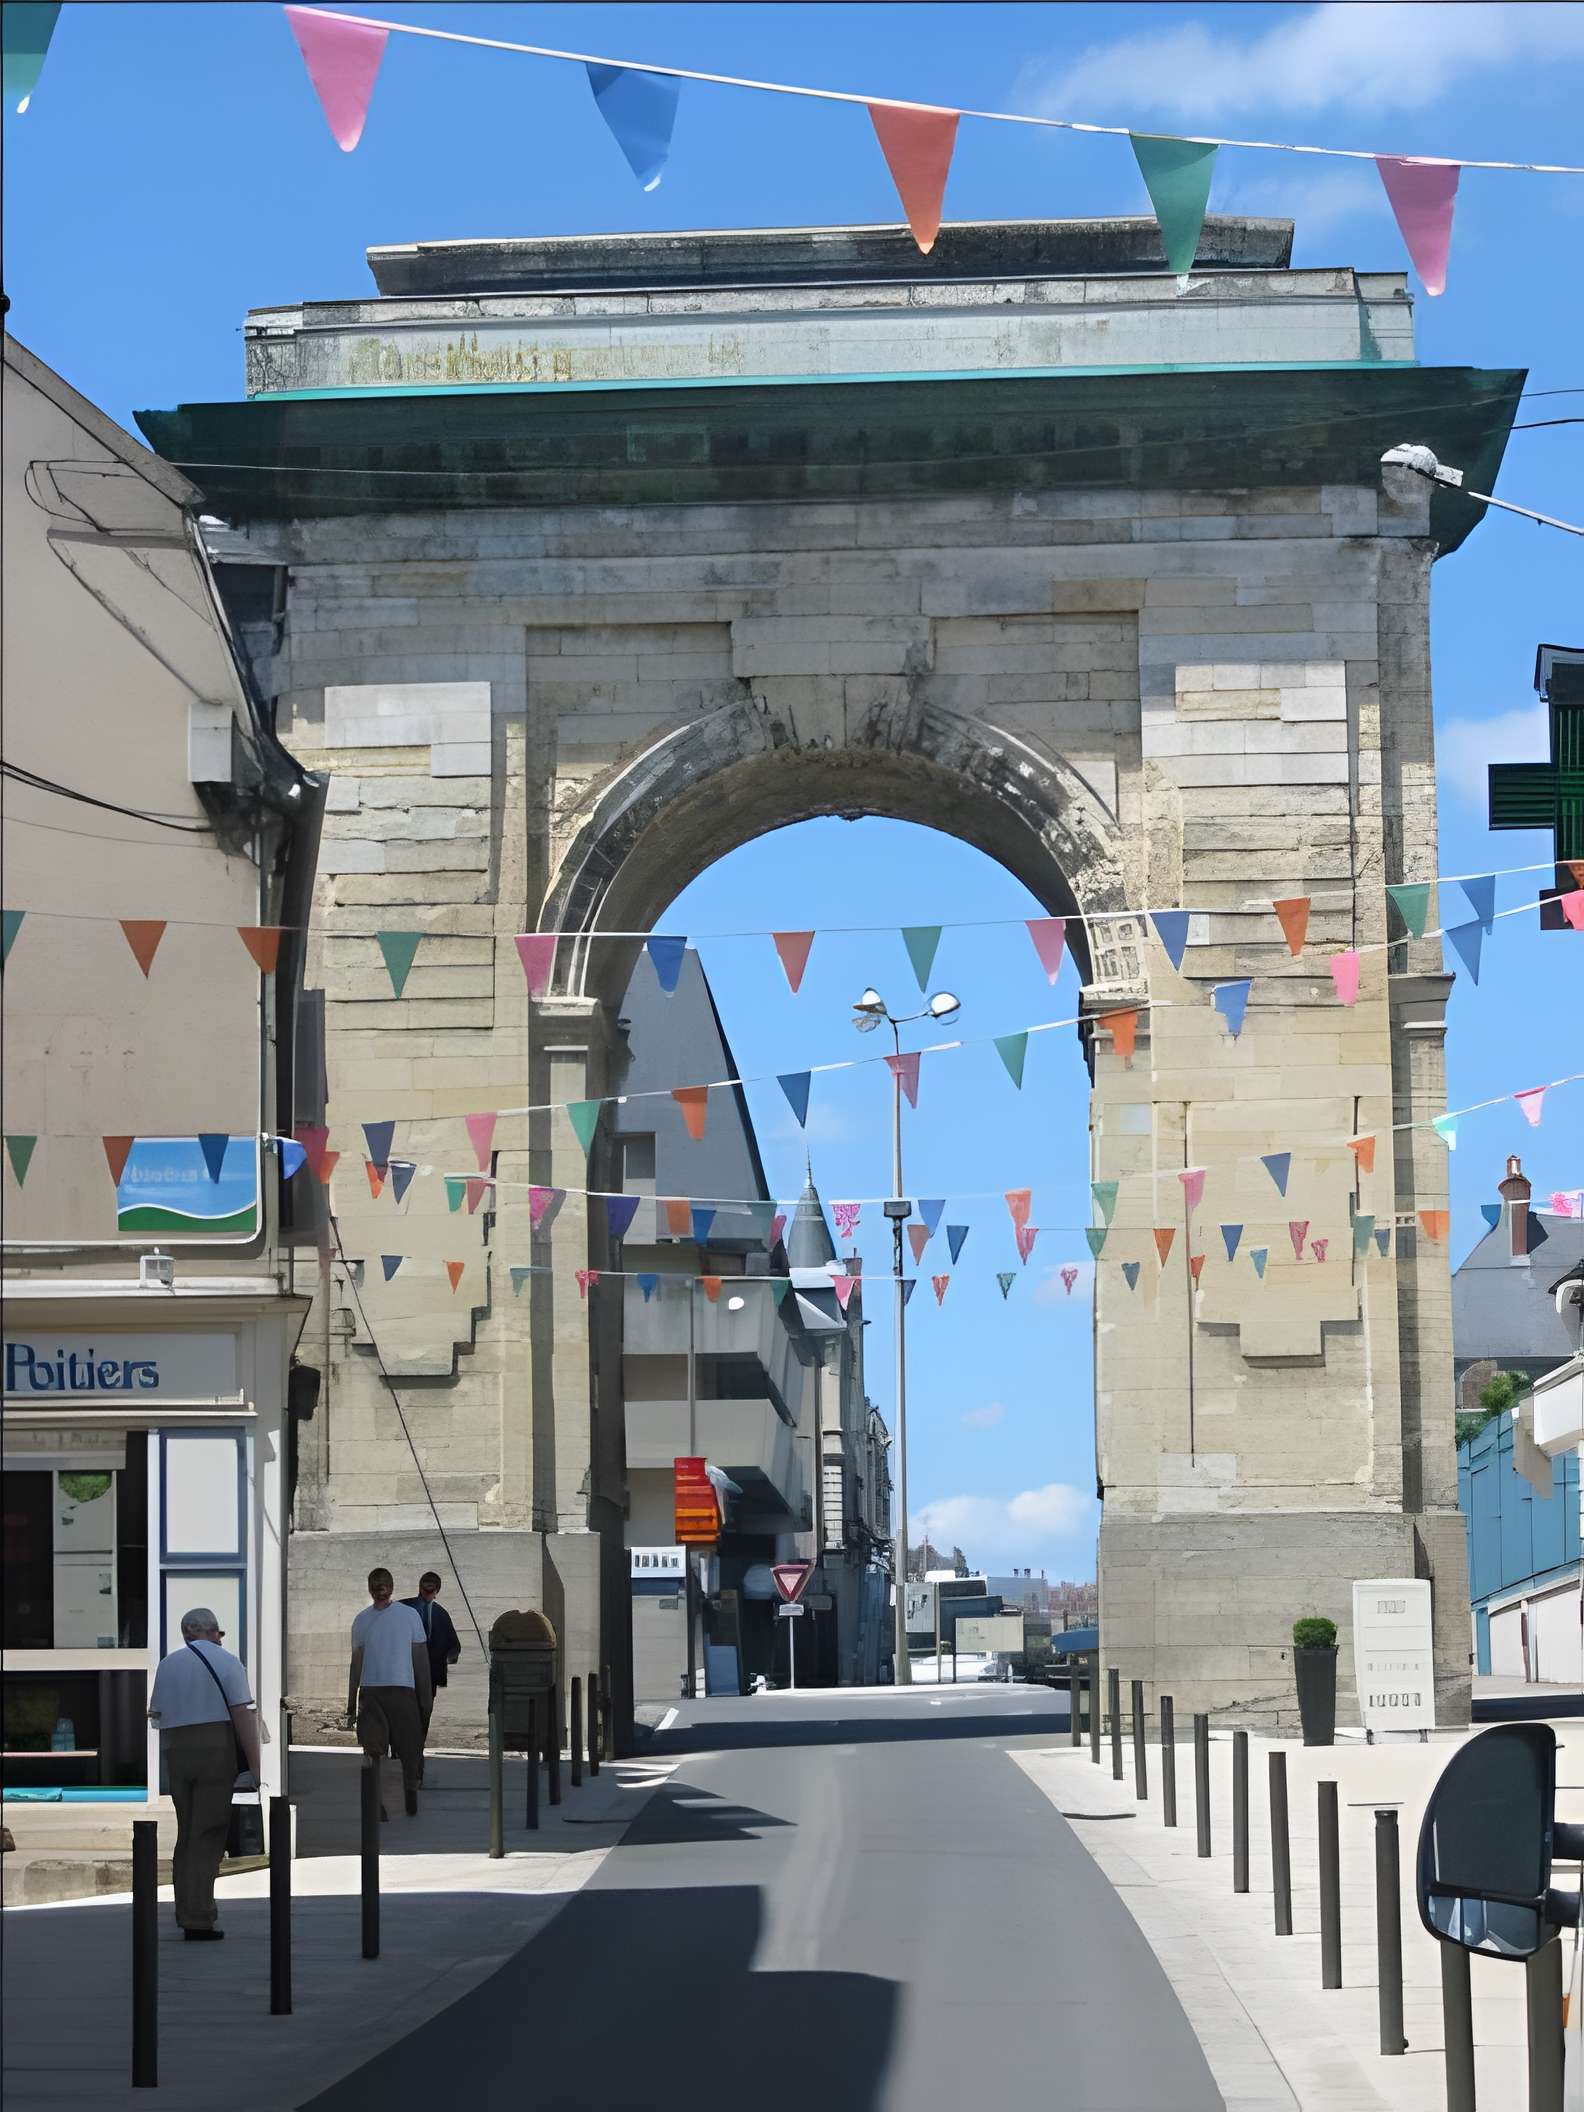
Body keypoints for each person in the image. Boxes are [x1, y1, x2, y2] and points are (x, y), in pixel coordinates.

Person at [147, 1608, 260, 1941]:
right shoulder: (228, 1662)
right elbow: (242, 1715)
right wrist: (255, 1767)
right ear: (212, 1632)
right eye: (218, 1633)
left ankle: (185, 1910)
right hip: (215, 1748)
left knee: (187, 1833)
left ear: (186, 1633)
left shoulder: (168, 1664)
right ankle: (199, 1917)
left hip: (176, 1751)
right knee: (208, 1833)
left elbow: (156, 1715)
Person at [347, 1567, 430, 1817]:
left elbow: (356, 1665)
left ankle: (377, 1802)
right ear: (391, 1588)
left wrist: (351, 1704)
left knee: (374, 1751)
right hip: (402, 1690)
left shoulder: (361, 1620)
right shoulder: (410, 1616)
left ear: (370, 1589)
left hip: (371, 1692)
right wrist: (425, 1698)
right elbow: (420, 1661)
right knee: (409, 1748)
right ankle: (410, 1795)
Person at [400, 1571, 462, 1781]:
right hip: (405, 1675)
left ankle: (415, 1764)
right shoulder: (403, 1609)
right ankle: (409, 1759)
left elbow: (454, 1647)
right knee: (408, 1719)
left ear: (437, 1590)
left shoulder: (441, 1615)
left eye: (432, 1586)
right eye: (425, 1585)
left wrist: (443, 1659)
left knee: (421, 1720)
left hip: (429, 1677)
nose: (428, 1590)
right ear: (419, 1587)